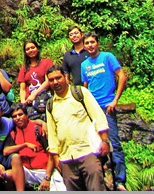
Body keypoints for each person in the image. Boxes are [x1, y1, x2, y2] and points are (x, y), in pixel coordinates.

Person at [45, 65, 110, 191]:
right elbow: (52, 134)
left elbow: (98, 117)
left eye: (58, 78)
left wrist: (104, 140)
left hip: (88, 152)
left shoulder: (80, 93)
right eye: (51, 80)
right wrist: (56, 157)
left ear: (65, 77)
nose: (55, 82)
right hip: (66, 158)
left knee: (96, 188)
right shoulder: (50, 104)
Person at [81, 32, 128, 191]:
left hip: (107, 106)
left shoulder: (107, 57)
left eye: (92, 42)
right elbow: (85, 87)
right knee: (95, 145)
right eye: (87, 43)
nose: (90, 45)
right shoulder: (84, 65)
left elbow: (121, 76)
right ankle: (101, 181)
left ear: (98, 43)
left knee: (113, 143)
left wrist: (115, 100)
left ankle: (120, 181)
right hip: (92, 109)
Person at [3, 103, 66, 191]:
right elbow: (6, 151)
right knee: (7, 175)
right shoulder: (13, 133)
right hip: (26, 171)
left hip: (44, 170)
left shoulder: (38, 129)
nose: (18, 118)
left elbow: (51, 153)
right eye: (14, 116)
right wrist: (24, 145)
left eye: (20, 114)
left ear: (26, 115)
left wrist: (47, 178)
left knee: (61, 188)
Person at [17, 40, 53, 107]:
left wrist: (34, 94)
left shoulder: (46, 62)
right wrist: (23, 103)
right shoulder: (23, 68)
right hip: (29, 103)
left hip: (45, 99)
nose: (30, 50)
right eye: (28, 49)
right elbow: (22, 89)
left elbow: (48, 81)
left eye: (33, 47)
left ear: (37, 49)